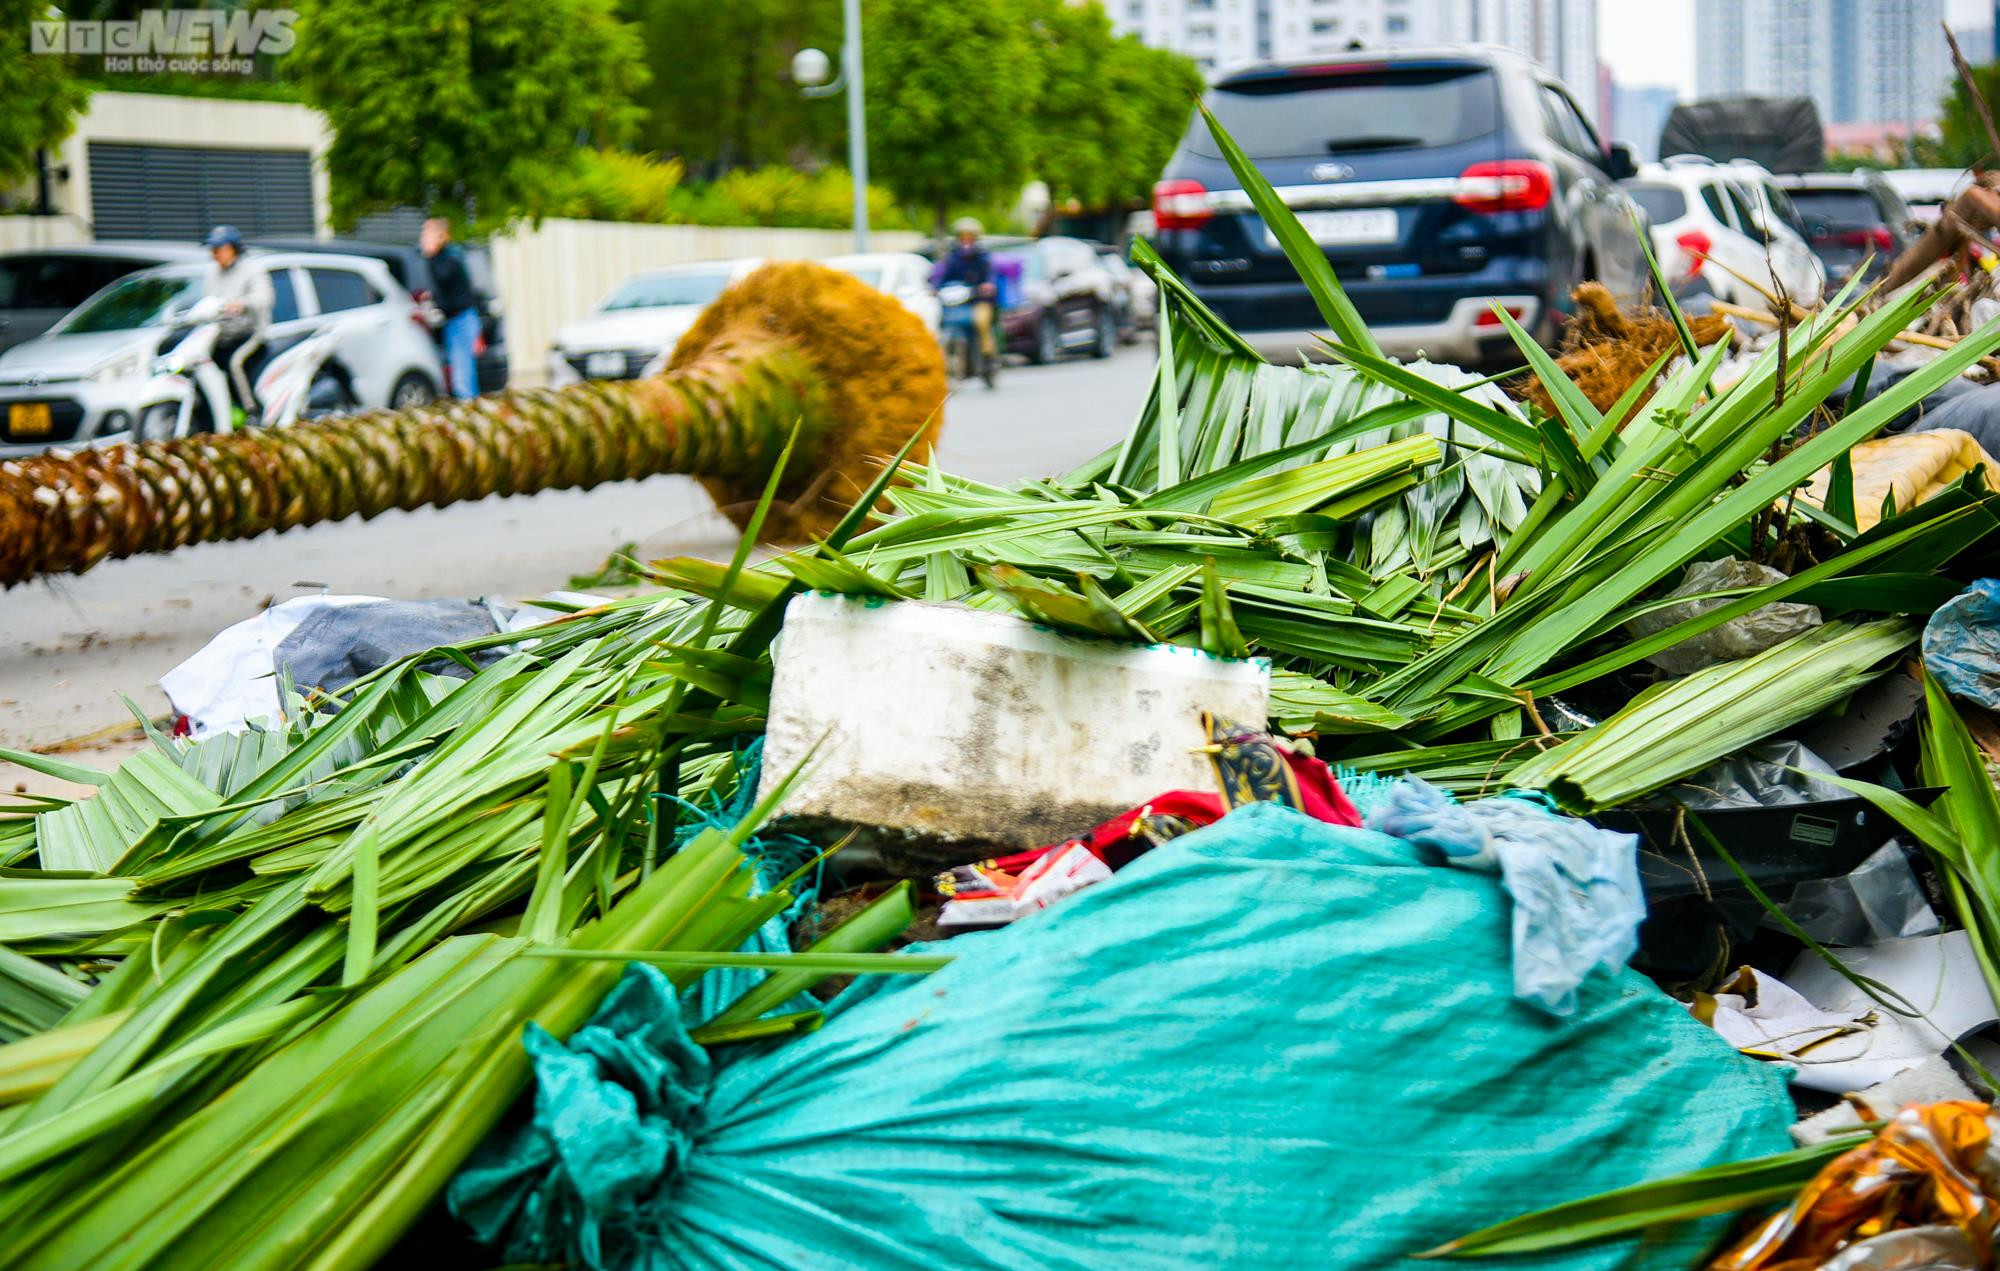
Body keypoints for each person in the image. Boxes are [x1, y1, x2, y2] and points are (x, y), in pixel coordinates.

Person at [200, 225, 273, 415]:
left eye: (219, 249)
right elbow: (207, 302)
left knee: (235, 363)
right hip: (222, 335)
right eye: (213, 250)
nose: (215, 254)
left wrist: (242, 303)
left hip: (251, 334)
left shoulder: (252, 270)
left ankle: (252, 410)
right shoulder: (211, 274)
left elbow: (264, 298)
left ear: (233, 248)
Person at [422, 217, 481, 399]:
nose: (423, 237)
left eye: (427, 233)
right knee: (461, 375)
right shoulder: (444, 257)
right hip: (455, 321)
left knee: (462, 377)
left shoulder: (451, 255)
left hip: (461, 320)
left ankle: (470, 418)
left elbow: (443, 277)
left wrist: (430, 254)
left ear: (440, 236)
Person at [937, 217, 997, 366]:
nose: (966, 241)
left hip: (979, 300)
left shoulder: (983, 258)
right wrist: (935, 289)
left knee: (981, 322)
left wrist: (987, 285)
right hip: (960, 302)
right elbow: (943, 277)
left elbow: (990, 275)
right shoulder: (953, 258)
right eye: (963, 237)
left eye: (969, 237)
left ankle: (987, 355)